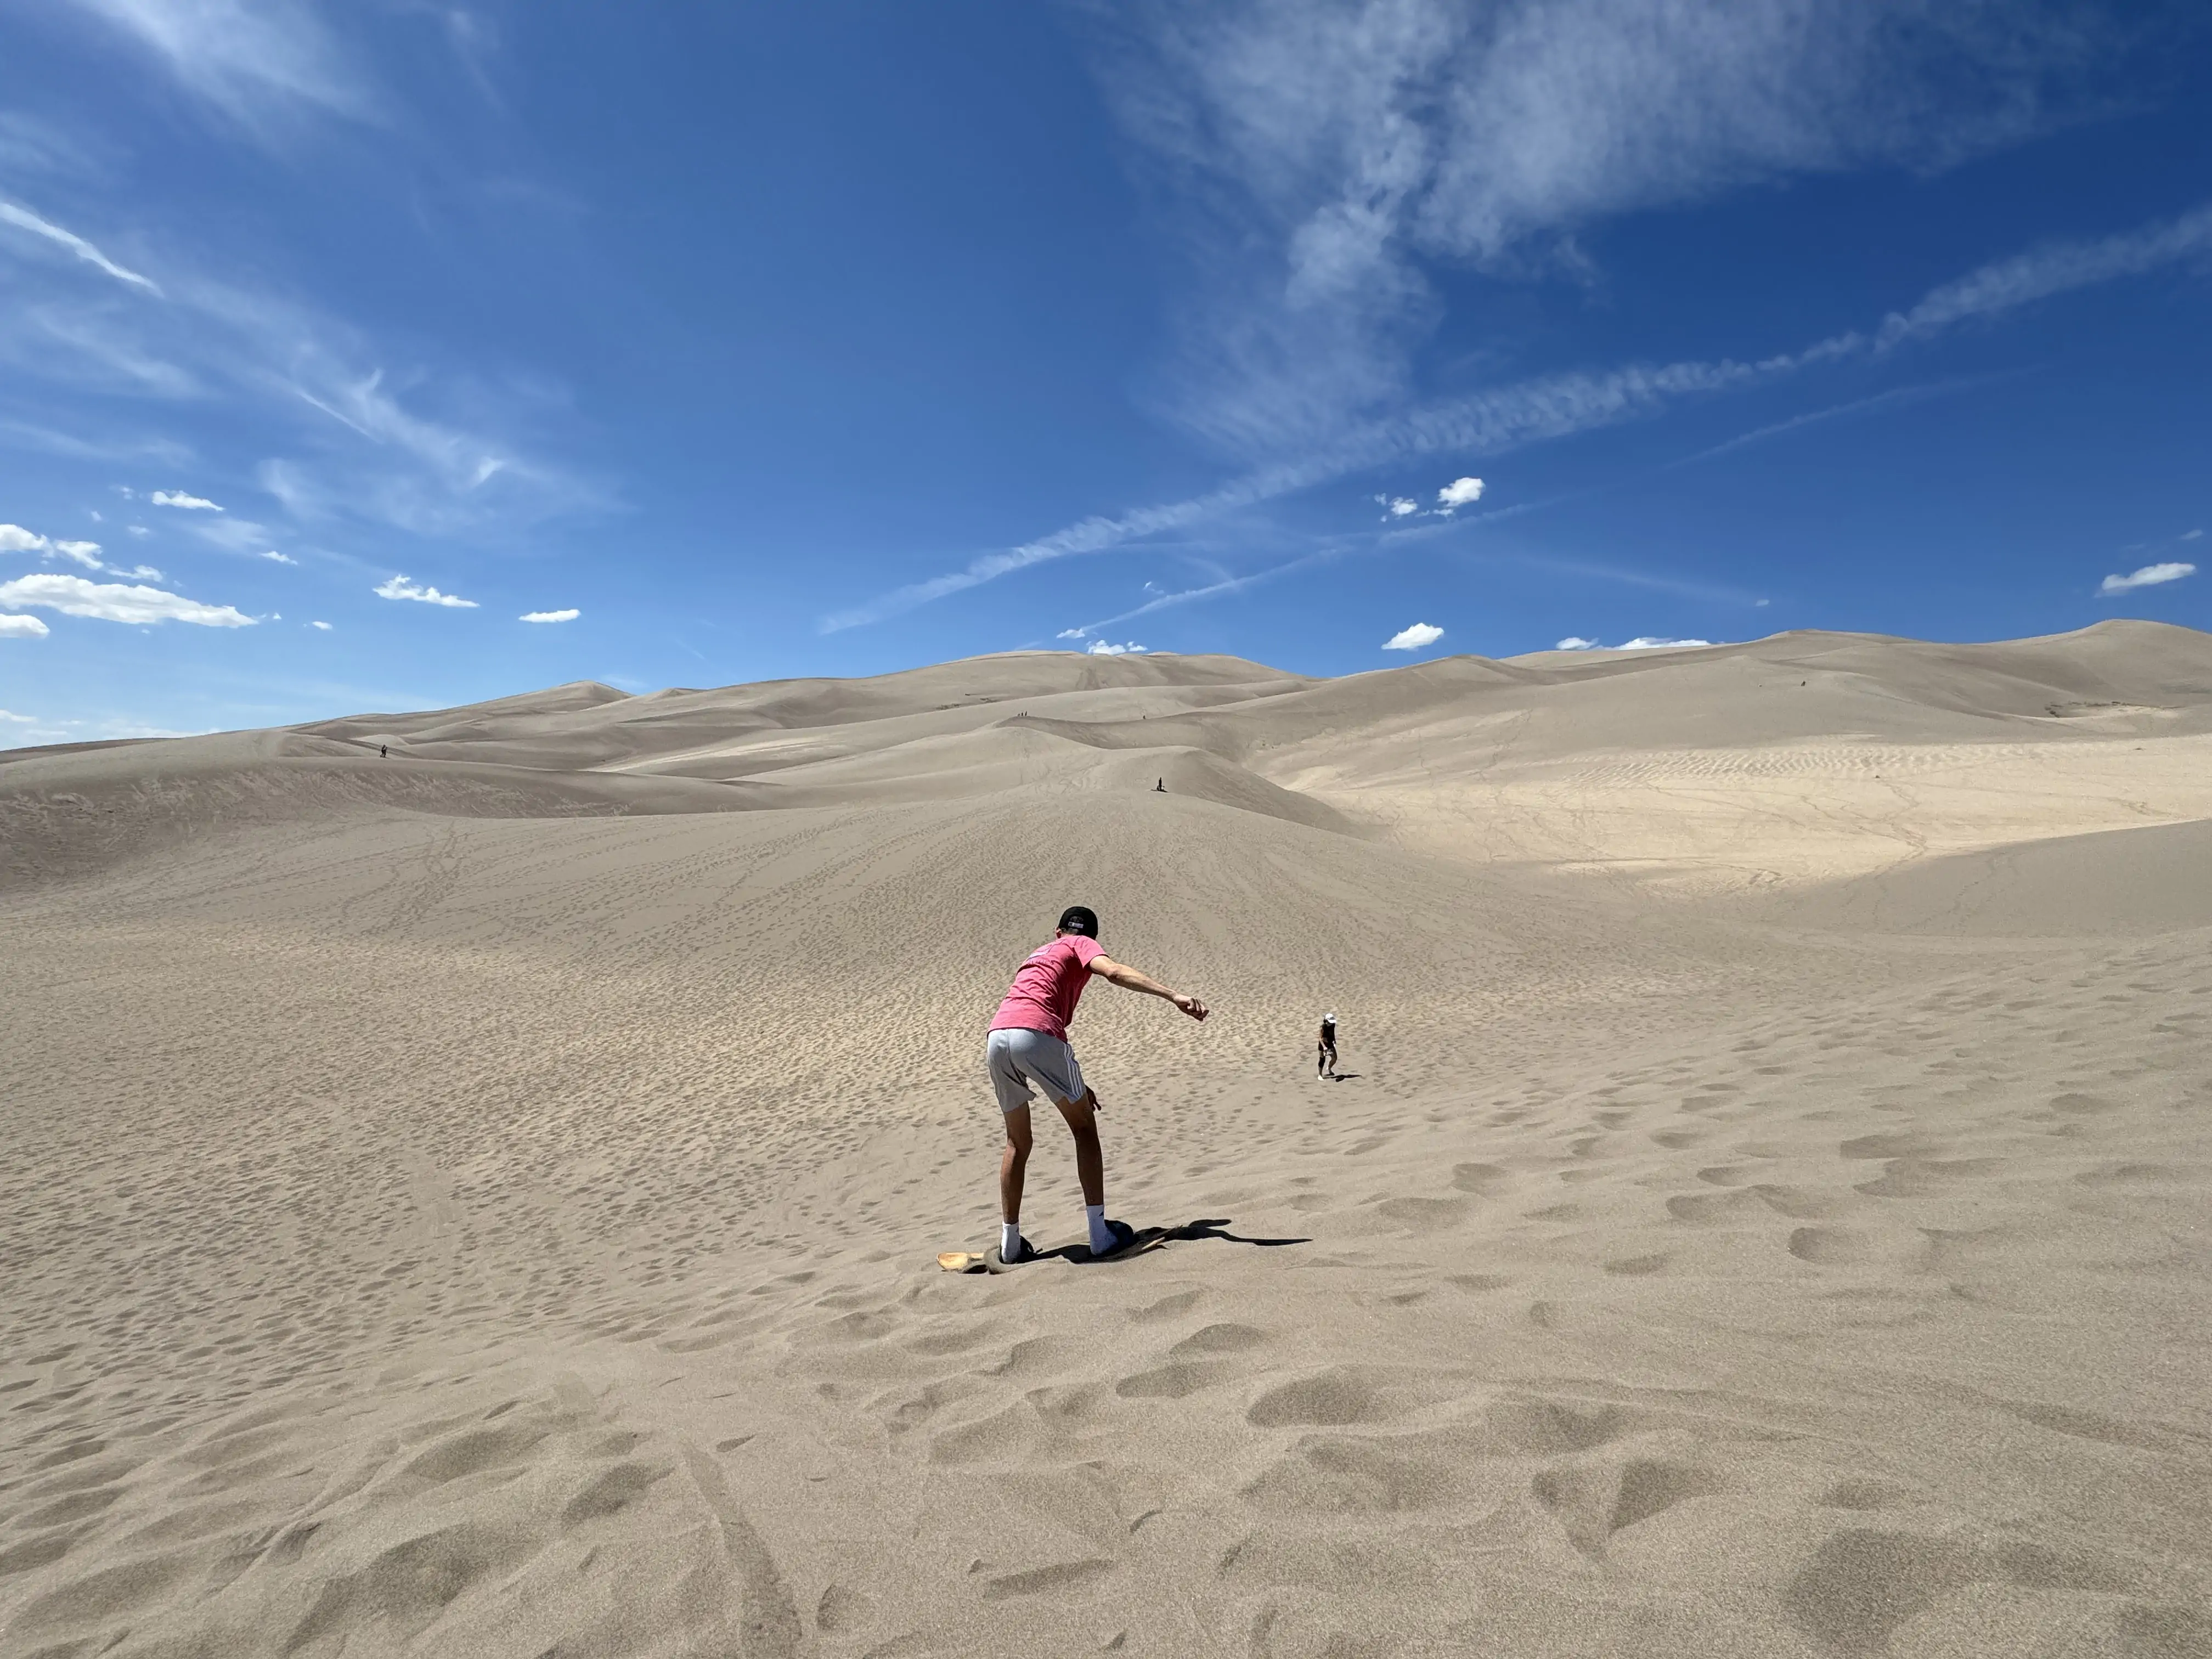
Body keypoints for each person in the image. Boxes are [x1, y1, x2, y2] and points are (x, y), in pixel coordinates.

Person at [986, 905, 1207, 1263]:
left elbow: (1027, 1021)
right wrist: (1174, 996)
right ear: (1090, 938)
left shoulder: (1039, 953)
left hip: (997, 1036)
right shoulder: (1081, 945)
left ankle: (1009, 1245)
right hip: (1038, 1033)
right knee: (1084, 1128)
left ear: (1058, 931)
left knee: (1017, 1142)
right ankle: (1100, 1234)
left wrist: (1077, 1086)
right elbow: (1115, 973)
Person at [1317, 1011, 1338, 1079]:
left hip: (1330, 1043)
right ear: (1326, 1021)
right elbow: (1320, 1039)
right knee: (1322, 1059)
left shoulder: (1333, 1025)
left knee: (1335, 1058)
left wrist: (1334, 1040)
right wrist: (1324, 1047)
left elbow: (1332, 1033)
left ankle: (1329, 1068)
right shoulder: (1322, 1028)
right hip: (1323, 1045)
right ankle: (1320, 1075)